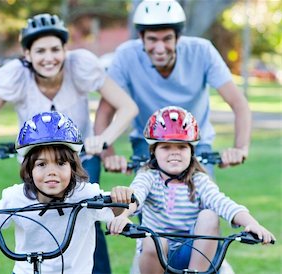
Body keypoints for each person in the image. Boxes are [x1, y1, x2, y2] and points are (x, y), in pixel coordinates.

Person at [0, 13, 138, 273]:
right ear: (27, 54)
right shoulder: (16, 77)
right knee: (32, 215)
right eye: (40, 51)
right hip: (37, 161)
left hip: (77, 158)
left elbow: (127, 107)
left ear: (65, 50)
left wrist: (102, 140)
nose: (49, 57)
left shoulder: (79, 67)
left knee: (86, 216)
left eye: (55, 49)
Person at [0, 111, 135, 274]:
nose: (51, 171)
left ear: (73, 167)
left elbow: (122, 206)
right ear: (29, 170)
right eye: (42, 164)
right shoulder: (19, 196)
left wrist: (122, 198)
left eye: (60, 163)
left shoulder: (84, 194)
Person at [107, 106, 276, 274]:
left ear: (192, 151)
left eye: (182, 147)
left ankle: (196, 273)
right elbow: (135, 196)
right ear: (153, 152)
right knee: (154, 240)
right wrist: (123, 216)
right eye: (165, 147)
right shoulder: (148, 177)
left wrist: (252, 224)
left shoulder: (199, 180)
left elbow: (223, 203)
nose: (174, 153)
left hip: (193, 254)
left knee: (209, 216)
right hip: (156, 256)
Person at [95, 0, 251, 176]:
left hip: (195, 143)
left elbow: (238, 103)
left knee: (206, 196)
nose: (160, 48)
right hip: (147, 144)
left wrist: (240, 149)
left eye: (167, 39)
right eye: (152, 39)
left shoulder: (202, 51)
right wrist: (109, 155)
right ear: (141, 37)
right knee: (144, 197)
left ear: (178, 37)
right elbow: (104, 112)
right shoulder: (126, 56)